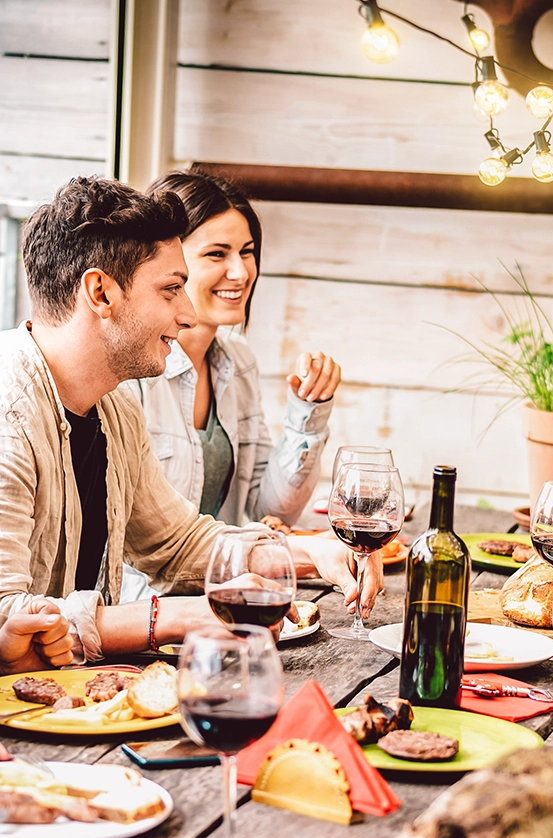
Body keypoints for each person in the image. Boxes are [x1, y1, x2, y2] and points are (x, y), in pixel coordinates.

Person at [0, 175, 377, 661]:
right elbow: (9, 620)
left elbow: (175, 542)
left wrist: (312, 554)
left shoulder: (115, 409)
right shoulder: (10, 413)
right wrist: (177, 617)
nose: (186, 313)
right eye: (171, 289)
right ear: (101, 293)